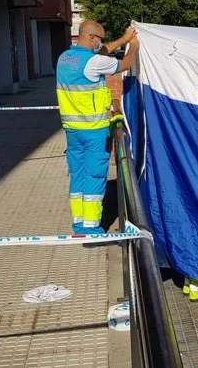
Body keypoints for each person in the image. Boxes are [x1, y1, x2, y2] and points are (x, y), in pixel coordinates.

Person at [56, 20, 139, 235]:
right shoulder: (93, 63)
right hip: (94, 132)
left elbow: (101, 53)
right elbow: (125, 64)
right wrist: (134, 46)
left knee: (78, 175)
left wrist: (123, 39)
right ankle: (91, 229)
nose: (100, 44)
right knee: (94, 177)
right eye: (99, 39)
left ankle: (78, 223)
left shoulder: (65, 58)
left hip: (72, 130)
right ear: (92, 37)